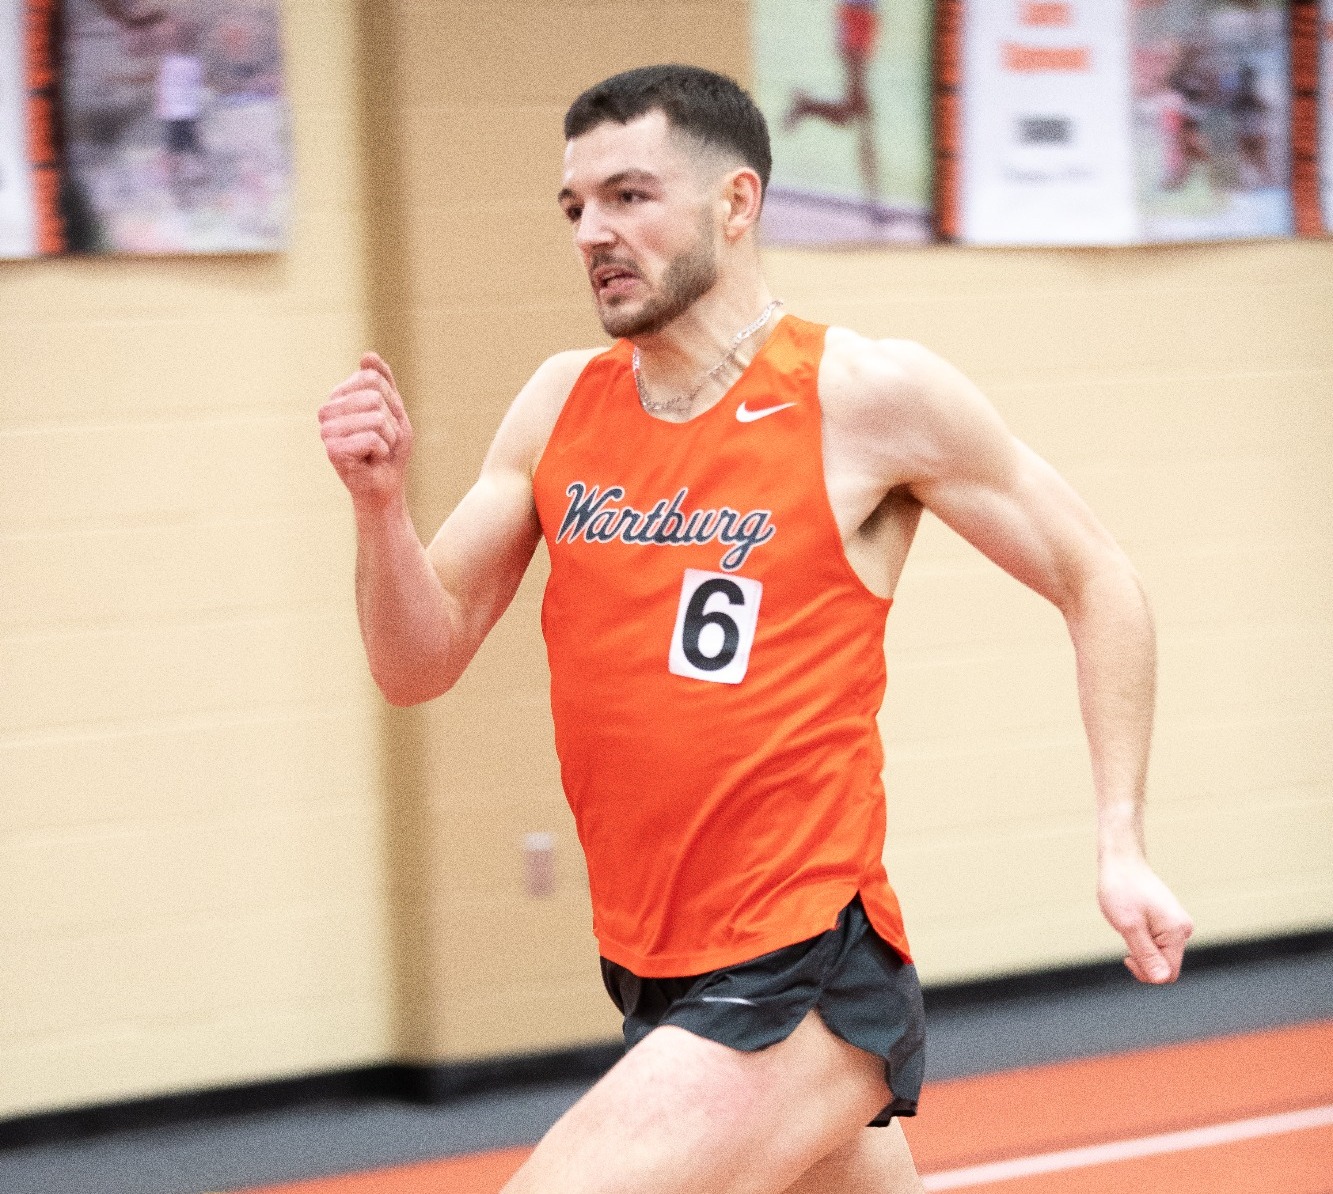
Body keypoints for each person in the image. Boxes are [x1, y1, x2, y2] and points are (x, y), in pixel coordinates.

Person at [319, 64, 1194, 1194]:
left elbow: (1098, 577)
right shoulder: (558, 403)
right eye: (575, 206)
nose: (592, 232)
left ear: (736, 203)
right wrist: (379, 508)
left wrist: (1120, 840)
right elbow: (415, 660)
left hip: (800, 963)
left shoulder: (863, 395)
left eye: (629, 196)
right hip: (652, 962)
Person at [784, 0, 884, 221]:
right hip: (854, 14)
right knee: (864, 113)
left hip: (866, 16)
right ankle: (874, 203)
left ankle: (806, 105)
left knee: (852, 112)